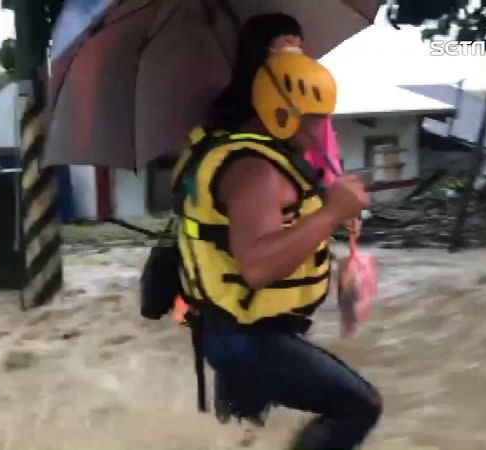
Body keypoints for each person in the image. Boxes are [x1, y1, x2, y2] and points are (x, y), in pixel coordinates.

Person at [171, 45, 381, 450]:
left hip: (234, 331)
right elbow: (258, 266)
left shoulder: (257, 157)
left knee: (242, 440)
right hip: (246, 338)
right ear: (280, 113)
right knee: (360, 406)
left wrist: (329, 212)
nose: (323, 129)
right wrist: (328, 215)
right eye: (315, 118)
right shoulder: (256, 170)